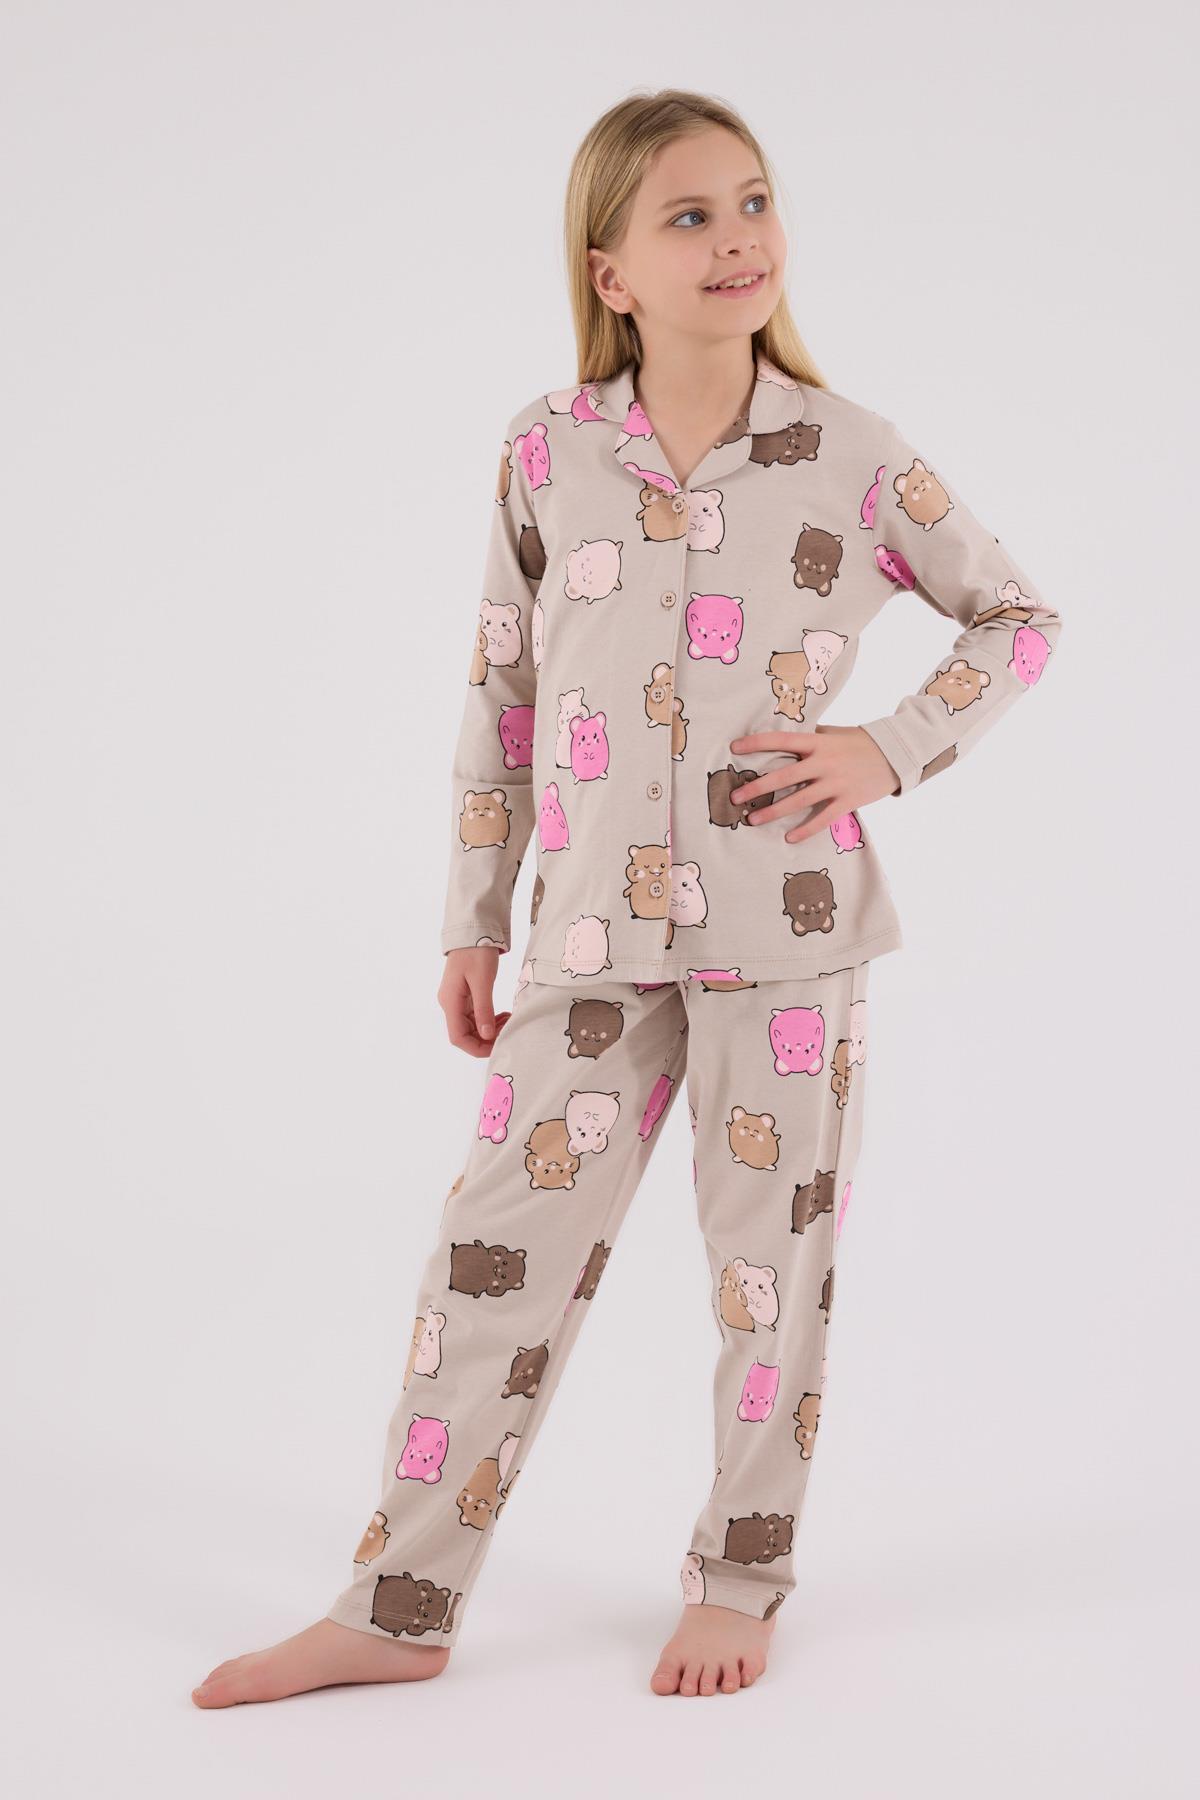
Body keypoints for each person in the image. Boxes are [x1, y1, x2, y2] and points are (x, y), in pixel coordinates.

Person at [192, 88, 1062, 1708]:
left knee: (767, 1278)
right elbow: (504, 692)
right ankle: (397, 1608)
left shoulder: (852, 452)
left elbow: (1017, 619)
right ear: (611, 271)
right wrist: (473, 916)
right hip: (587, 937)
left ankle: (741, 1579)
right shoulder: (546, 450)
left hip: (784, 938)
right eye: (690, 216)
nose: (737, 240)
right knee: (488, 1262)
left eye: (754, 202)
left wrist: (884, 750)